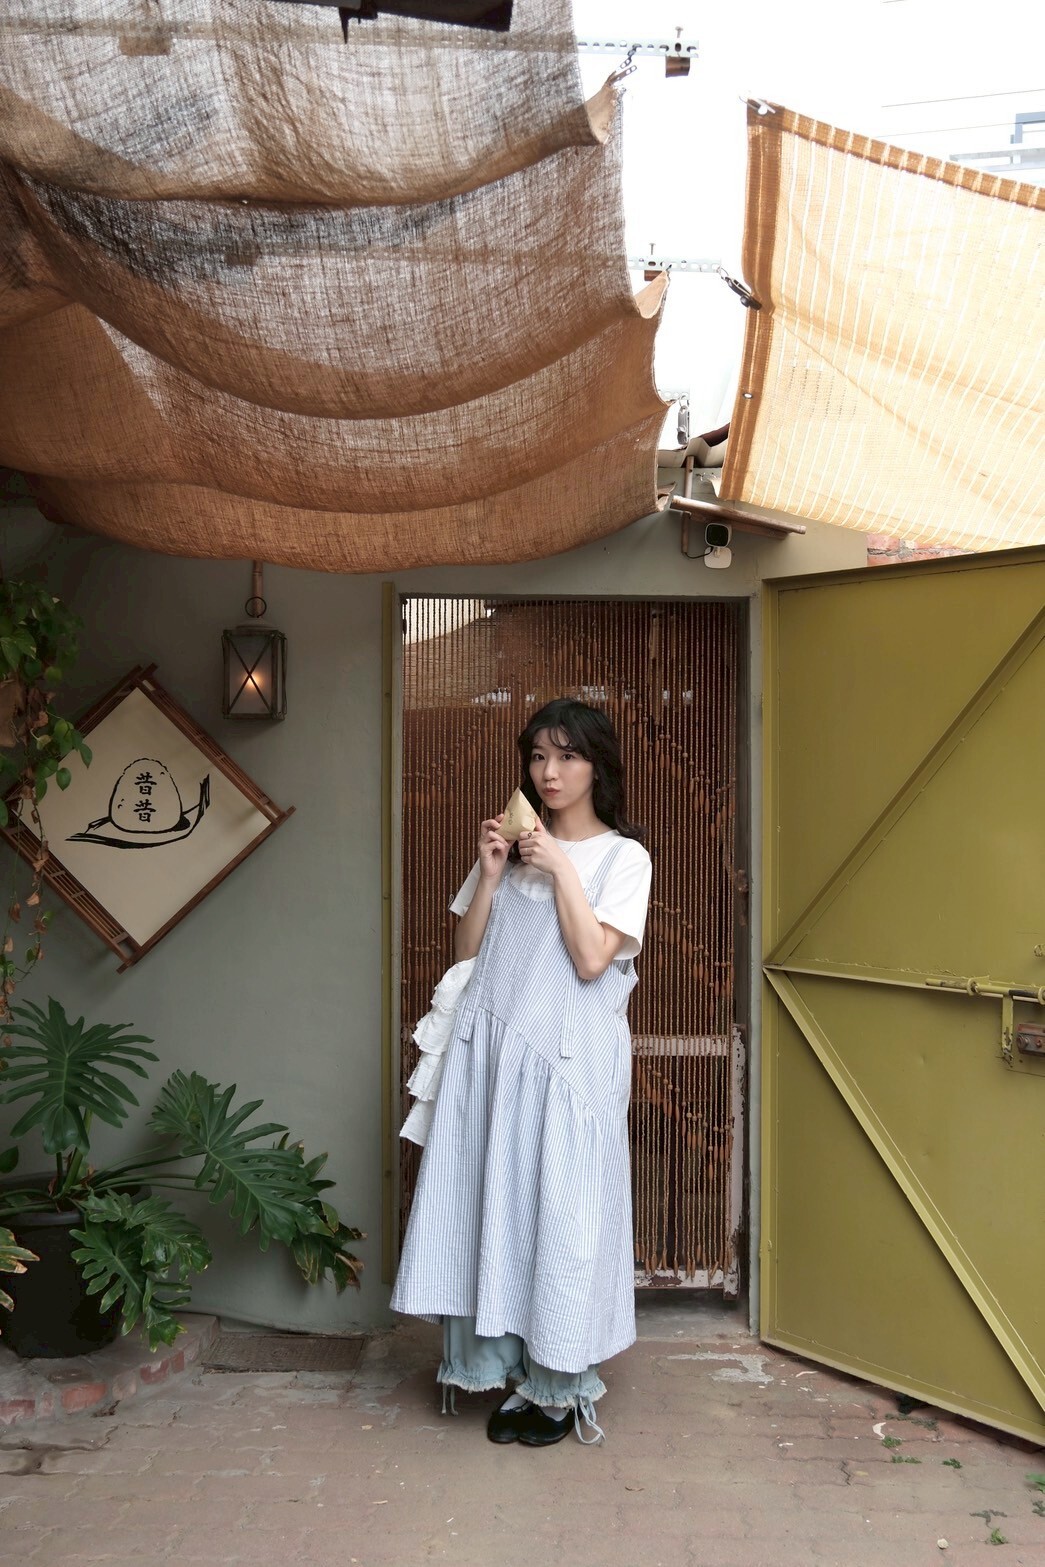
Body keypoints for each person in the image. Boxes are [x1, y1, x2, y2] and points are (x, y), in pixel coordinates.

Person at [390, 698, 652, 1447]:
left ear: (597, 765)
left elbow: (592, 959)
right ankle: (496, 1368)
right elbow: (467, 952)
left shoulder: (623, 859)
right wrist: (490, 872)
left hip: (567, 1068)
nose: (549, 772)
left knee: (559, 1215)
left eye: (567, 756)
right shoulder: (512, 844)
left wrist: (560, 866)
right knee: (487, 1204)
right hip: (494, 1058)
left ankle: (557, 1385)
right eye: (538, 756)